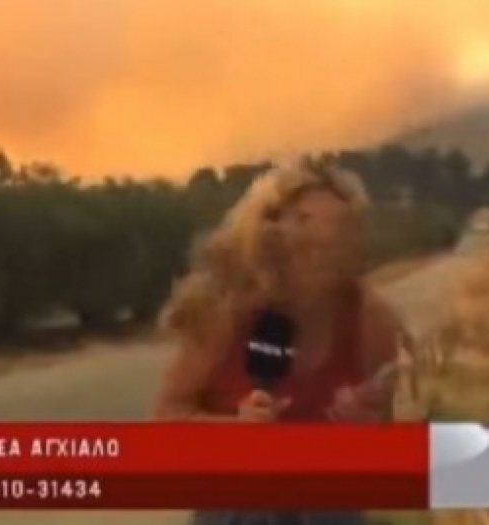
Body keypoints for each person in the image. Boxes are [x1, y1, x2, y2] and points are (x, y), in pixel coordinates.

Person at [154, 158, 418, 525]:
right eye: (300, 232)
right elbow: (168, 421)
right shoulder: (225, 313)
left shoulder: (370, 319)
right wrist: (235, 432)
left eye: (334, 239)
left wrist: (368, 424)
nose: (316, 252)